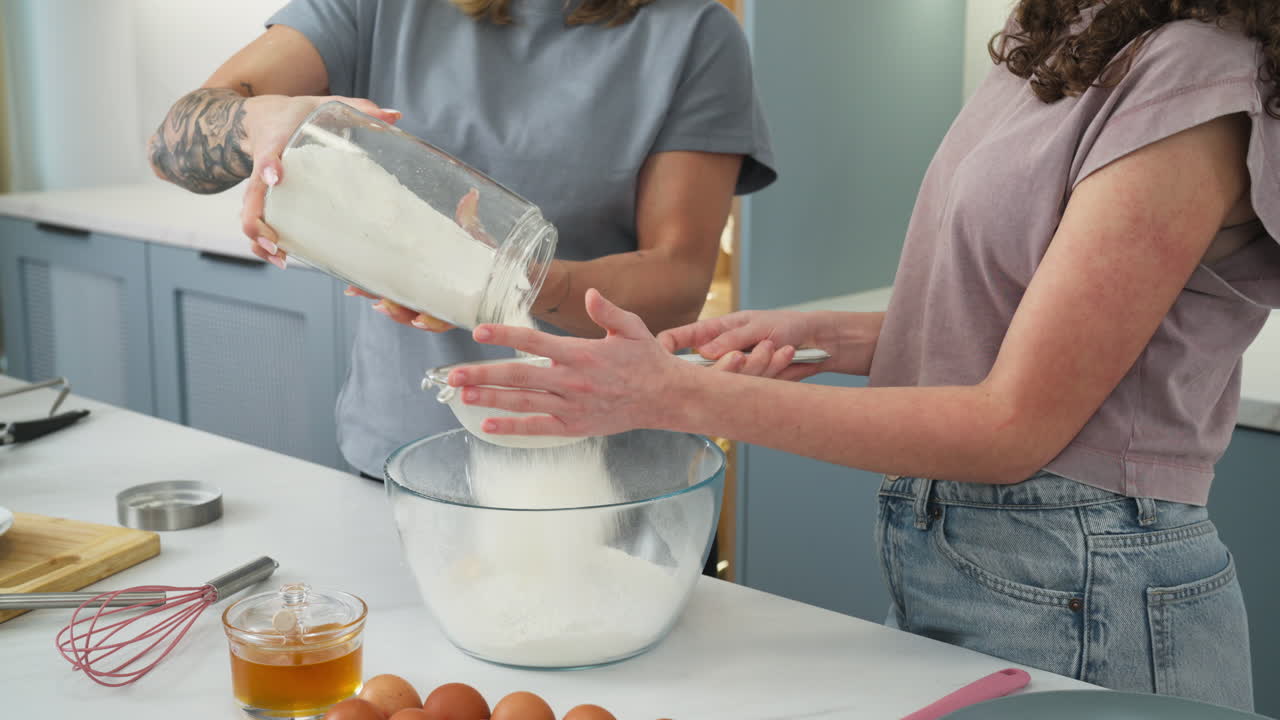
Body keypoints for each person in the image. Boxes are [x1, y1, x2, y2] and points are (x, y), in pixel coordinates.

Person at [449, 1, 1280, 711]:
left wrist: (669, 396)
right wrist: (826, 334)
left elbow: (1011, 425)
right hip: (976, 563)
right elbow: (1034, 326)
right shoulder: (1070, 33)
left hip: (1087, 586)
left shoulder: (1193, 74)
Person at [147, 0, 776, 480]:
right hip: (402, 453)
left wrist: (516, 280)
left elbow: (678, 283)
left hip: (602, 472)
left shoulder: (694, 33)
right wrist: (259, 123)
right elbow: (172, 144)